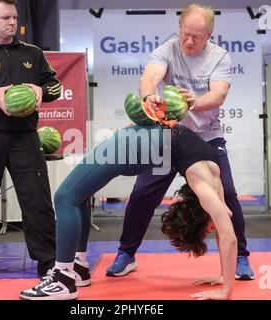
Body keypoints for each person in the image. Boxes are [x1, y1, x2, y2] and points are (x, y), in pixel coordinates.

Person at [106, 3, 254, 280]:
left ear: (208, 34)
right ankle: (126, 254)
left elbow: (219, 95)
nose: (188, 41)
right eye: (185, 33)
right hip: (169, 136)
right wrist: (149, 96)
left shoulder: (220, 57)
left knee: (229, 195)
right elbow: (149, 77)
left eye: (196, 37)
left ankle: (241, 257)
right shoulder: (168, 49)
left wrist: (195, 102)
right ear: (180, 28)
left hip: (207, 138)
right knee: (142, 194)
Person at [19, 124, 237, 300]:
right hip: (135, 144)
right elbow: (229, 237)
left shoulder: (212, 187)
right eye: (208, 229)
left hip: (141, 141)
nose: (213, 228)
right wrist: (226, 291)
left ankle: (66, 276)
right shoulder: (205, 187)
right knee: (68, 197)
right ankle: (69, 274)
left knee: (70, 196)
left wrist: (223, 277)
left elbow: (224, 228)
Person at [0, 0, 61, 277]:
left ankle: (48, 261)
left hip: (25, 138)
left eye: (15, 16)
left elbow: (54, 85)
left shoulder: (33, 52)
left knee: (38, 202)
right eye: (6, 17)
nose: (12, 22)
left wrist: (42, 92)